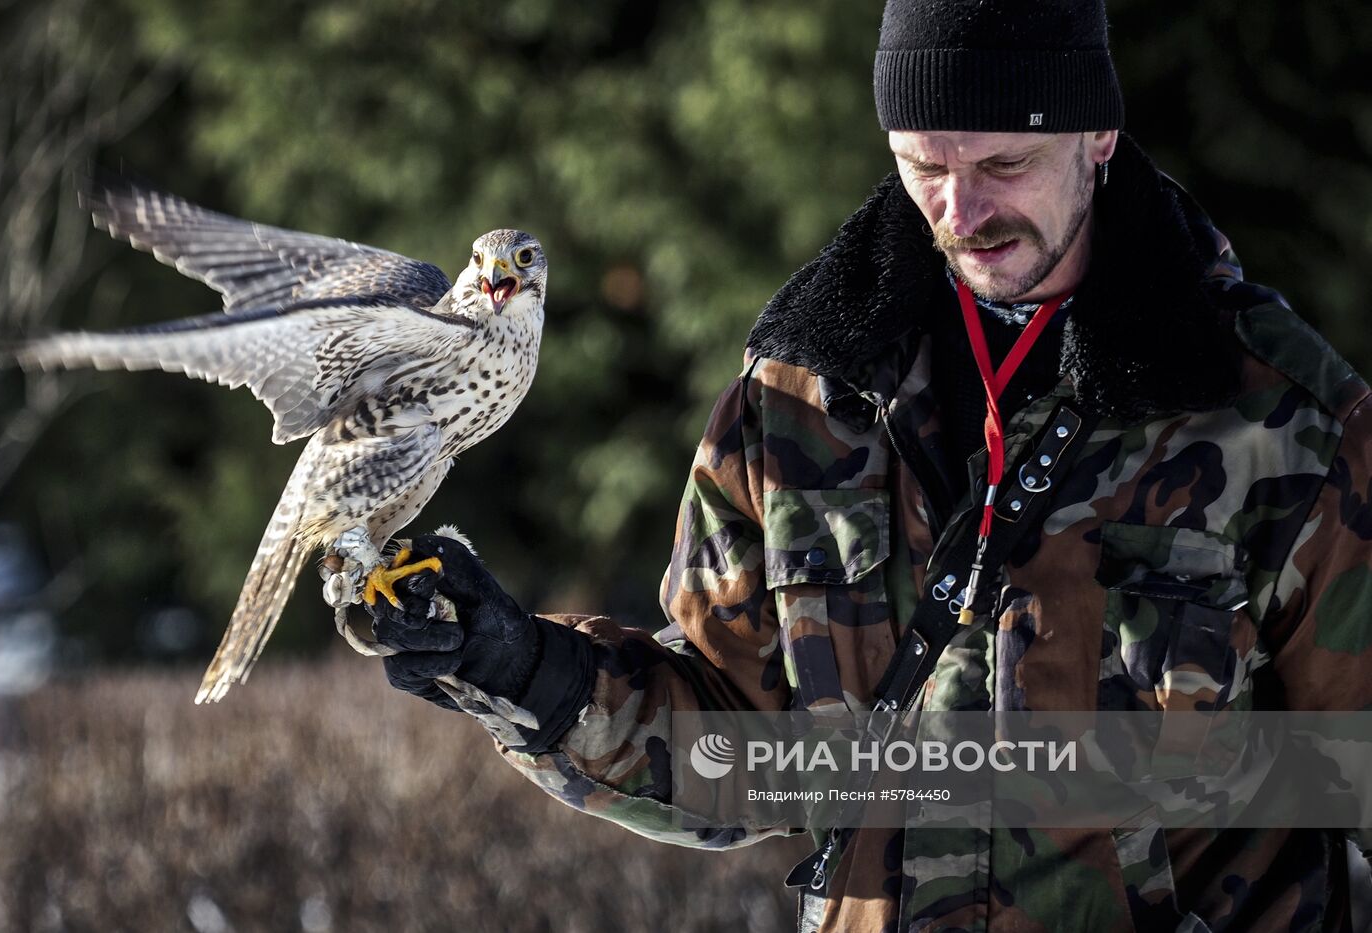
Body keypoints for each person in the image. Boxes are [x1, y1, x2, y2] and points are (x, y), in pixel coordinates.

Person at [365, 0, 1372, 929]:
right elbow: (742, 755)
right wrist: (519, 671)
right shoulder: (793, 397)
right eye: (924, 166)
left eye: (1002, 165)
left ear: (1095, 135)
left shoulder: (1280, 416)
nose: (960, 212)